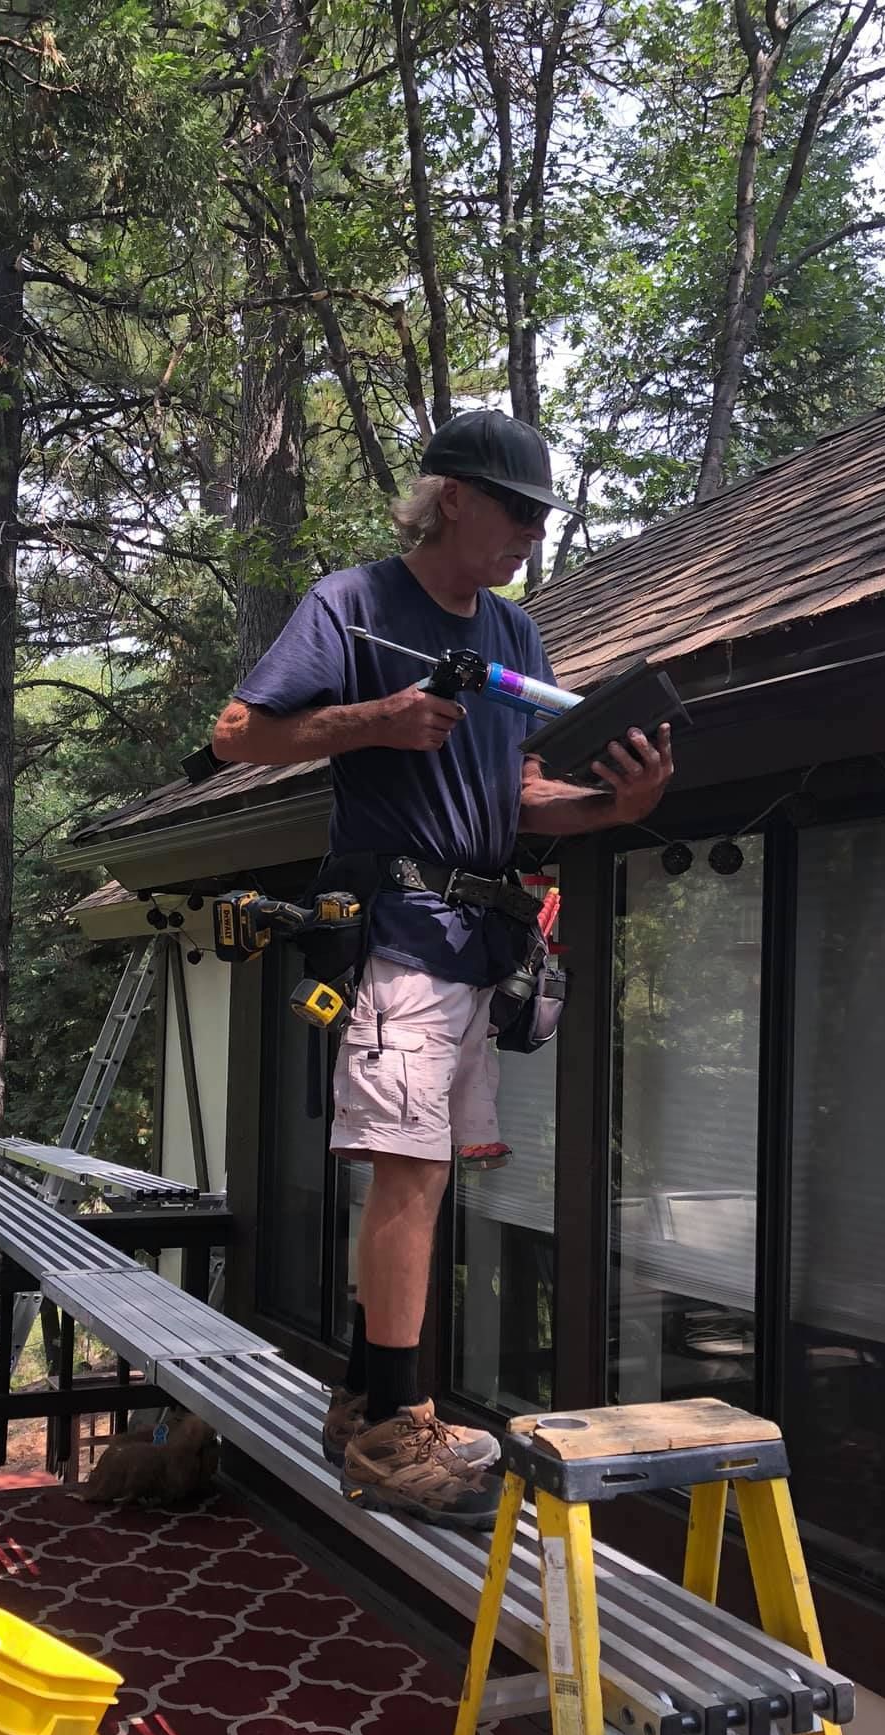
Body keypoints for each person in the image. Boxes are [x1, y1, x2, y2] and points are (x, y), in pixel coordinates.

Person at [212, 411, 674, 1527]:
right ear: (453, 495)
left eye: (542, 516)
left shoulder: (517, 634)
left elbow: (520, 795)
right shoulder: (356, 605)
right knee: (408, 1175)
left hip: (478, 937)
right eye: (518, 510)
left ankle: (370, 1397)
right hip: (398, 927)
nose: (530, 533)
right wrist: (372, 719)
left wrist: (617, 803)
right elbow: (237, 733)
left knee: (426, 1172)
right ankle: (394, 1437)